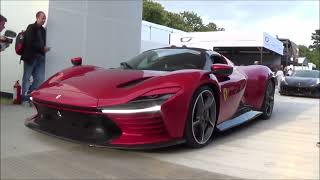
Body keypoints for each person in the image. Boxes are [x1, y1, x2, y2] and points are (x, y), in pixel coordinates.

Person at [20, 11, 50, 103]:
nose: (44, 20)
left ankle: (30, 94)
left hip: (40, 58)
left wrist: (44, 49)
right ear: (37, 18)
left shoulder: (43, 30)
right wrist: (42, 49)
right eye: (42, 18)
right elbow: (30, 42)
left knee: (40, 79)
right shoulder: (31, 27)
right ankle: (24, 99)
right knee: (27, 78)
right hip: (30, 58)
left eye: (45, 18)